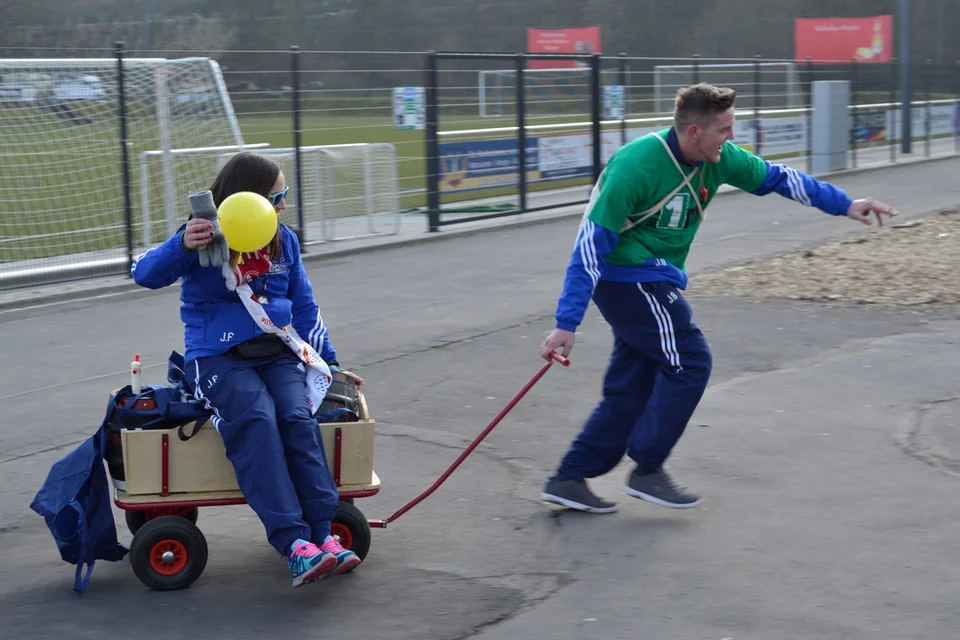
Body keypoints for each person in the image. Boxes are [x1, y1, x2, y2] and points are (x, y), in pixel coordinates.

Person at [538, 83, 897, 514]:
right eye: (724, 130)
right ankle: (647, 469)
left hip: (652, 278)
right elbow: (589, 248)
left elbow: (779, 178)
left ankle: (571, 477)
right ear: (694, 132)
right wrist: (567, 322)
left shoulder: (720, 159)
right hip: (626, 278)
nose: (730, 138)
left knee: (631, 384)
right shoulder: (635, 168)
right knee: (690, 361)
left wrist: (844, 204)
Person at [131, 151, 363, 587]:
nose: (283, 206)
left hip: (276, 353)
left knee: (296, 418)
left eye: (285, 196)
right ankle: (294, 545)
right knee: (256, 419)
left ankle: (324, 535)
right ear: (250, 199)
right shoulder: (201, 237)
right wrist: (182, 244)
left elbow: (304, 305)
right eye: (278, 197)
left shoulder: (284, 240)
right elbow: (144, 273)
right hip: (215, 359)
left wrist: (330, 361)